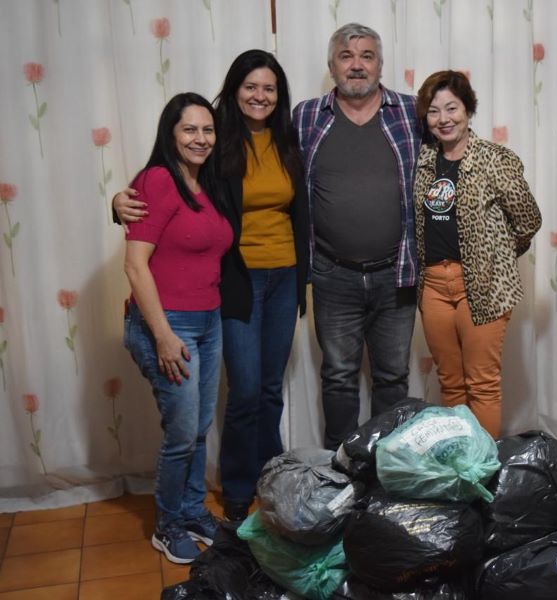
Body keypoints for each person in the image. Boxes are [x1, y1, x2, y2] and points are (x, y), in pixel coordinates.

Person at [114, 50, 309, 522]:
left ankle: (273, 478)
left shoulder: (288, 140)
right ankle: (239, 488)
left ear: (278, 95)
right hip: (237, 279)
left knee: (268, 389)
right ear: (234, 89)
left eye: (269, 88)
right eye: (250, 86)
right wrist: (120, 200)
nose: (259, 96)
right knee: (243, 391)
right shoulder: (214, 139)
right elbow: (168, 187)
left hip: (285, 277)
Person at [293, 23, 421, 450]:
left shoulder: (411, 111)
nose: (357, 65)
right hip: (333, 275)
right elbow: (258, 164)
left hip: (396, 274)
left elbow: (458, 151)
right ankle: (340, 471)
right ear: (331, 66)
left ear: (380, 65)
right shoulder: (306, 116)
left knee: (392, 376)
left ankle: (387, 471)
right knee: (339, 377)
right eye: (347, 56)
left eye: (367, 55)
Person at [122, 93, 232, 563]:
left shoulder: (205, 183)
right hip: (168, 325)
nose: (200, 139)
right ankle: (168, 525)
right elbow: (134, 265)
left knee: (200, 429)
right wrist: (164, 335)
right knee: (182, 433)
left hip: (209, 320)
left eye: (207, 130)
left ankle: (192, 510)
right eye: (190, 129)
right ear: (171, 133)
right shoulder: (157, 180)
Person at [412, 70, 542, 438]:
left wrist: (497, 257)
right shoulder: (424, 161)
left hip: (482, 288)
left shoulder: (495, 159)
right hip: (434, 287)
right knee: (450, 383)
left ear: (468, 110)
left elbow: (528, 220)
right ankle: (460, 470)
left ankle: (484, 477)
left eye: (452, 108)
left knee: (482, 384)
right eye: (434, 112)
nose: (444, 119)